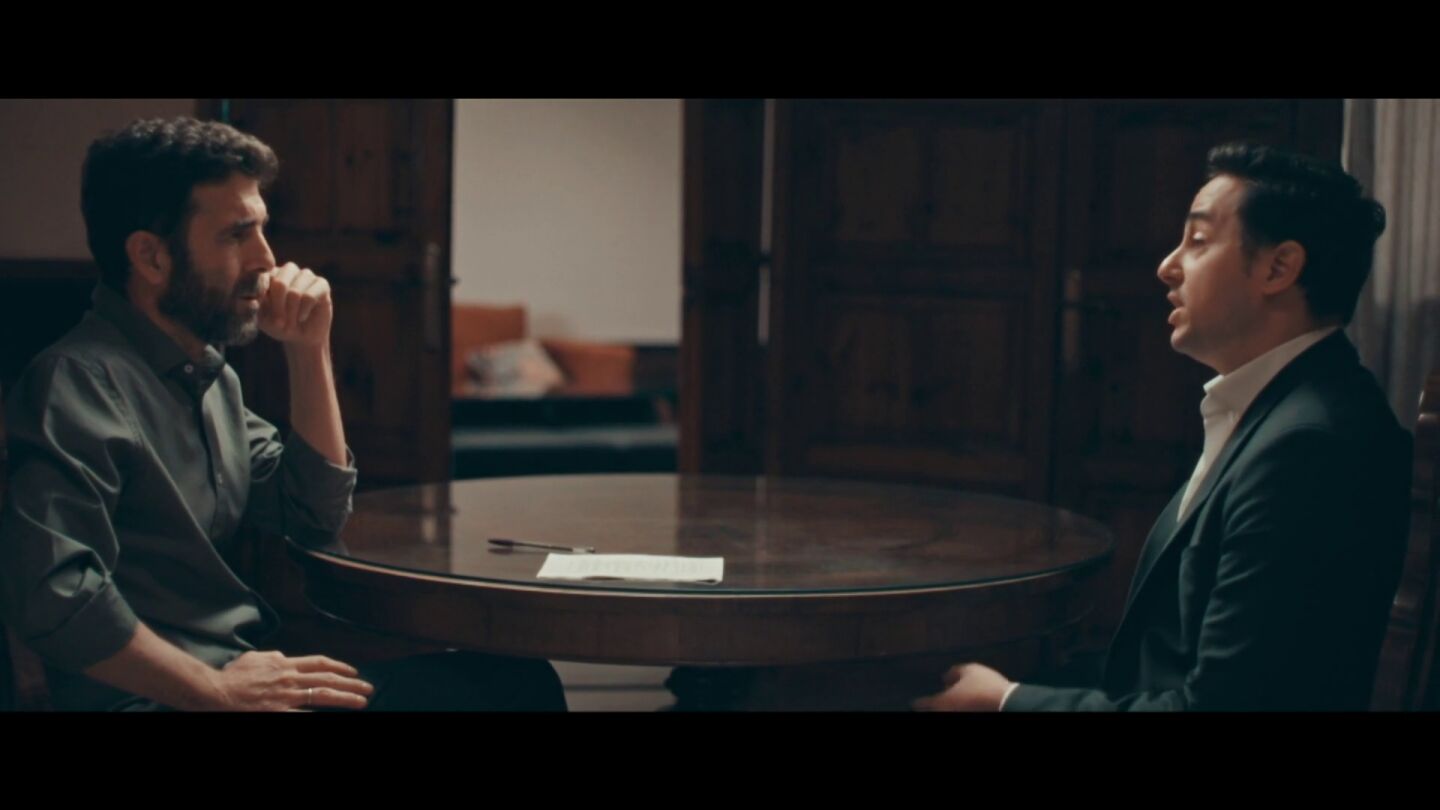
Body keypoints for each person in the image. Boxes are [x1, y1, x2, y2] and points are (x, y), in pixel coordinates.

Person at [0, 116, 564, 711]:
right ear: (151, 256)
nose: (266, 259)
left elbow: (313, 512)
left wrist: (308, 349)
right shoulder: (78, 381)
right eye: (236, 235)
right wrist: (216, 689)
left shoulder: (208, 377)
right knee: (512, 693)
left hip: (237, 675)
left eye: (262, 230)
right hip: (166, 699)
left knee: (513, 680)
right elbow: (53, 591)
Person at [915, 142, 1411, 711]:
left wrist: (1007, 701)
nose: (1167, 266)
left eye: (1197, 240)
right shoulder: (1283, 409)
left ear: (1278, 268)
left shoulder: (1310, 446)